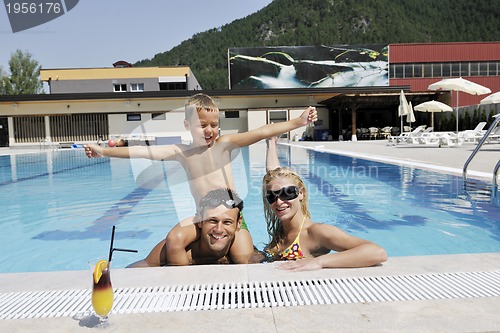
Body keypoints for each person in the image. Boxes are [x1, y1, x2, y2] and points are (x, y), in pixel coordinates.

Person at [85, 93, 317, 265]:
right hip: (201, 218)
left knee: (244, 257)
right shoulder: (181, 152)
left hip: (231, 218)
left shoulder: (225, 145)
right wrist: (104, 151)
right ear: (187, 125)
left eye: (214, 125)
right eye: (202, 125)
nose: (209, 130)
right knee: (174, 240)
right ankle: (185, 286)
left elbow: (263, 131)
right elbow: (141, 152)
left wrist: (298, 122)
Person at [262, 136, 387, 271]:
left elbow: (376, 252)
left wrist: (319, 262)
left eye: (287, 193)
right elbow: (273, 176)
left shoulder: (315, 232)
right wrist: (271, 145)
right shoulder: (283, 230)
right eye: (272, 196)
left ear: (301, 193)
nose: (279, 201)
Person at [128, 188, 250, 267]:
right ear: (200, 221)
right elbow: (138, 270)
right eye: (212, 221)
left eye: (227, 222)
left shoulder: (242, 252)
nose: (218, 229)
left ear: (238, 224)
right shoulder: (183, 250)